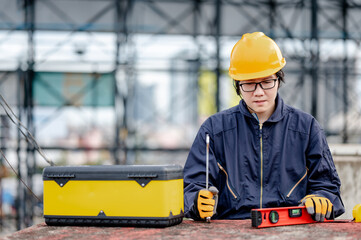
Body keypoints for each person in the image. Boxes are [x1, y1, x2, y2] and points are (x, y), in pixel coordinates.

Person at [183, 32, 345, 221]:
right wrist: (196, 201)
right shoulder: (214, 129)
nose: (259, 92)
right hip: (230, 228)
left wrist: (322, 198)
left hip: (291, 227)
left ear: (279, 79)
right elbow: (191, 185)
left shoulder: (306, 128)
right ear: (237, 85)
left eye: (267, 82)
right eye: (250, 84)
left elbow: (327, 187)